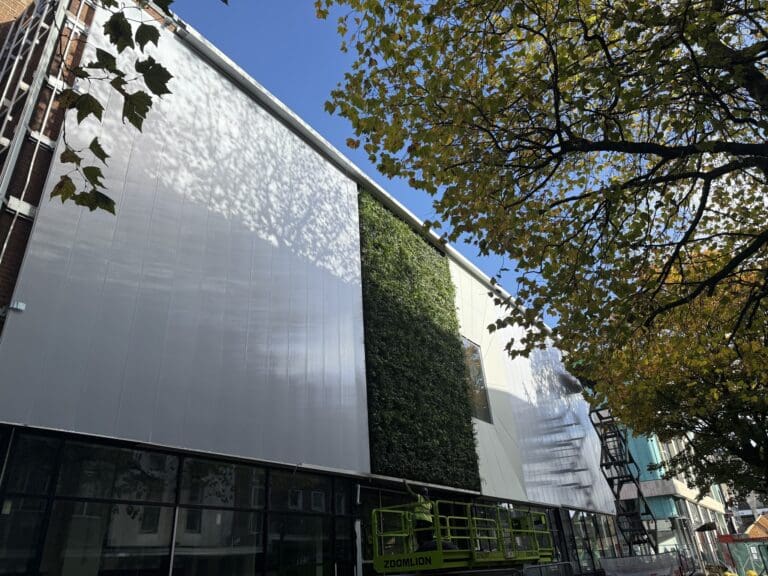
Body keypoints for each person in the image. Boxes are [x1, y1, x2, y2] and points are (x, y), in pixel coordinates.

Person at [405, 482, 434, 550]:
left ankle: (423, 550)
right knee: (429, 539)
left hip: (421, 522)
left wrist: (405, 483)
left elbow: (410, 493)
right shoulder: (430, 502)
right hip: (429, 522)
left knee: (421, 539)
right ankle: (431, 550)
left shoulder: (419, 498)